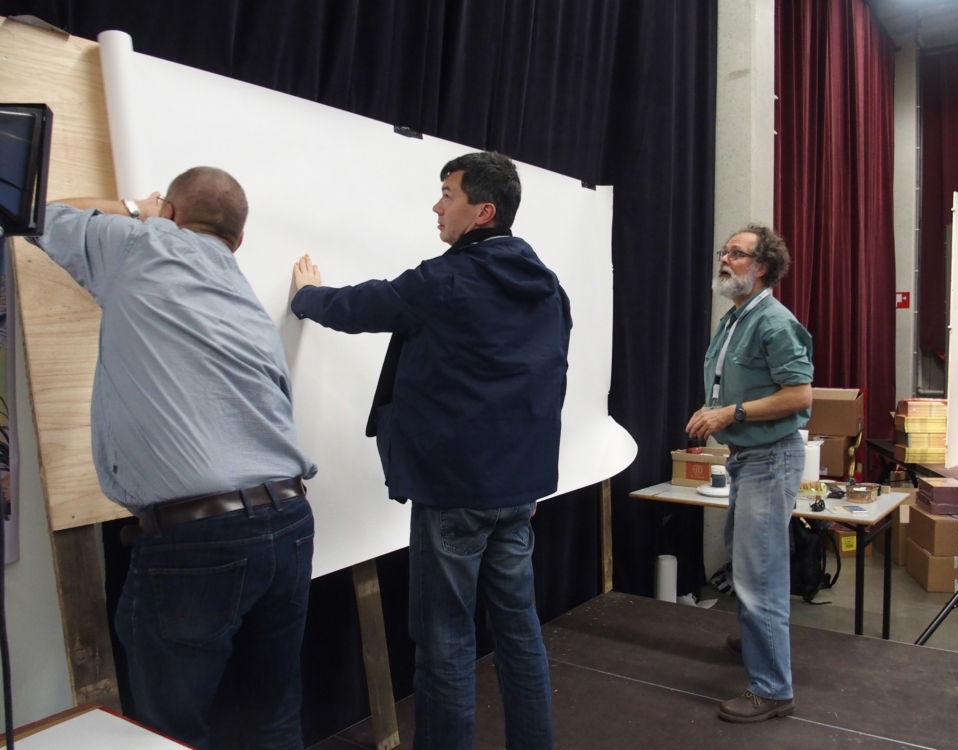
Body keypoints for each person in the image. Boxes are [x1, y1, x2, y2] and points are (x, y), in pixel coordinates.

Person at [29, 167, 318, 750]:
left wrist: (136, 208)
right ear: (238, 240)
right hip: (288, 521)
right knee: (271, 719)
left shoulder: (142, 243)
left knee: (169, 733)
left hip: (198, 540)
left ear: (172, 215)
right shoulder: (242, 291)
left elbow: (37, 211)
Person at [290, 151, 570, 750]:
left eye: (448, 194)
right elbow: (552, 382)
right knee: (519, 631)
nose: (436, 206)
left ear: (483, 212)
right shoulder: (548, 287)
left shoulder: (446, 280)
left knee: (445, 640)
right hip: (517, 492)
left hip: (453, 494)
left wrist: (306, 296)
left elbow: (360, 306)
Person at [685, 225, 813, 724]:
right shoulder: (737, 317)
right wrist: (715, 409)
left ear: (762, 267)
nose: (724, 259)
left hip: (770, 458)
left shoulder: (775, 322)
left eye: (736, 254)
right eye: (724, 251)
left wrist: (730, 414)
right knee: (745, 561)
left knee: (760, 573)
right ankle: (757, 639)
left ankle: (773, 689)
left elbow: (799, 395)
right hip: (748, 459)